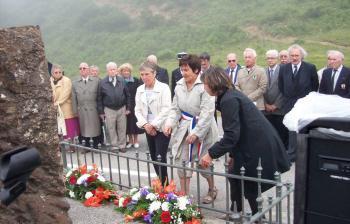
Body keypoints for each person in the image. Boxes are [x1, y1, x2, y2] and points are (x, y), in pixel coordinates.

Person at [199, 66, 290, 215]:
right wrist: (233, 156)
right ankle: (236, 210)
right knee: (234, 175)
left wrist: (210, 154)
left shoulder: (229, 99)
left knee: (250, 184)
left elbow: (231, 135)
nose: (204, 87)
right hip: (250, 142)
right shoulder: (229, 95)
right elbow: (236, 131)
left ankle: (257, 217)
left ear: (214, 83)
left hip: (256, 145)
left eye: (205, 83)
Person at [163, 54, 218, 203]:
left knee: (204, 164)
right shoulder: (179, 84)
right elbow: (175, 108)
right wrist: (169, 123)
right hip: (184, 128)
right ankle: (184, 195)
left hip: (203, 129)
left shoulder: (205, 84)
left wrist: (196, 133)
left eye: (186, 70)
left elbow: (207, 112)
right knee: (181, 161)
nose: (183, 73)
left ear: (196, 70)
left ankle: (212, 189)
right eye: (181, 69)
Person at [278, 44, 319, 161]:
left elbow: (314, 86)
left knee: (304, 128)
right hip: (289, 103)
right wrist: (288, 98)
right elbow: (281, 86)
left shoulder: (310, 68)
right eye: (292, 55)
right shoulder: (284, 68)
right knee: (291, 129)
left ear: (301, 56)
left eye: (297, 55)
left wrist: (307, 100)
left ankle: (304, 154)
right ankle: (291, 154)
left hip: (304, 103)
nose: (294, 58)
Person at [134, 61, 171, 185]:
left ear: (154, 73)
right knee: (154, 157)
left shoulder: (163, 88)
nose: (144, 77)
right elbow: (137, 110)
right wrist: (145, 125)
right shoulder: (139, 89)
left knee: (161, 157)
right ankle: (162, 182)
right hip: (148, 127)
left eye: (147, 74)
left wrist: (153, 124)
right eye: (142, 74)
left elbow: (166, 108)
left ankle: (165, 185)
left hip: (161, 127)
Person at [97, 62, 131, 153]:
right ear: (107, 71)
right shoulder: (102, 82)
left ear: (116, 70)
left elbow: (127, 95)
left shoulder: (122, 80)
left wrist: (128, 108)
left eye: (114, 69)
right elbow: (99, 98)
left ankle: (122, 145)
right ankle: (114, 146)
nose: (112, 71)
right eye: (110, 69)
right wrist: (101, 112)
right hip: (109, 109)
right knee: (111, 128)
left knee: (122, 127)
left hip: (122, 108)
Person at [263, 50, 288, 149]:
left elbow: (285, 89)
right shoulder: (263, 71)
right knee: (269, 133)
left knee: (281, 133)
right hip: (266, 109)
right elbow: (261, 89)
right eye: (268, 58)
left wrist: (276, 105)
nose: (270, 60)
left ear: (277, 59)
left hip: (279, 109)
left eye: (272, 58)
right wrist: (265, 104)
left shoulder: (283, 71)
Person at [72, 62, 100, 149]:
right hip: (82, 108)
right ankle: (86, 146)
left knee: (95, 127)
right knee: (84, 128)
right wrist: (75, 111)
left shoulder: (96, 81)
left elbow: (100, 96)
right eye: (80, 68)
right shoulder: (75, 82)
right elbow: (73, 98)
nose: (82, 70)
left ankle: (96, 145)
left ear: (88, 70)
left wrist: (100, 109)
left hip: (94, 108)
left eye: (84, 68)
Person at [50, 64, 80, 140]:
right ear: (52, 73)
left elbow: (65, 94)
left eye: (60, 72)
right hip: (56, 110)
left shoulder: (66, 80)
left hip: (66, 109)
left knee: (69, 129)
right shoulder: (50, 81)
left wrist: (56, 103)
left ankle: (72, 146)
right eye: (56, 72)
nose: (58, 74)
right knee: (59, 129)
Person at [119, 63, 144, 149]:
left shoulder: (136, 80)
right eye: (124, 71)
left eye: (128, 71)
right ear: (121, 72)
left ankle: (136, 140)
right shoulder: (120, 82)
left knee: (135, 123)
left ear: (130, 72)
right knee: (127, 124)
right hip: (124, 104)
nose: (126, 72)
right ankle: (130, 141)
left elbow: (140, 92)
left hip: (135, 104)